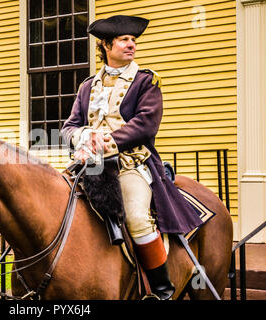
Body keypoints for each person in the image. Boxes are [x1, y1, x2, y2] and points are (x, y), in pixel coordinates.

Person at [61, 15, 204, 300]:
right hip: (87, 166)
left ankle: (161, 290)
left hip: (130, 165)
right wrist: (83, 137)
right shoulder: (88, 86)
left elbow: (146, 124)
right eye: (125, 40)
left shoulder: (146, 82)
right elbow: (69, 127)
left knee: (137, 217)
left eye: (133, 40)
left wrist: (107, 141)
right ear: (106, 45)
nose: (131, 45)